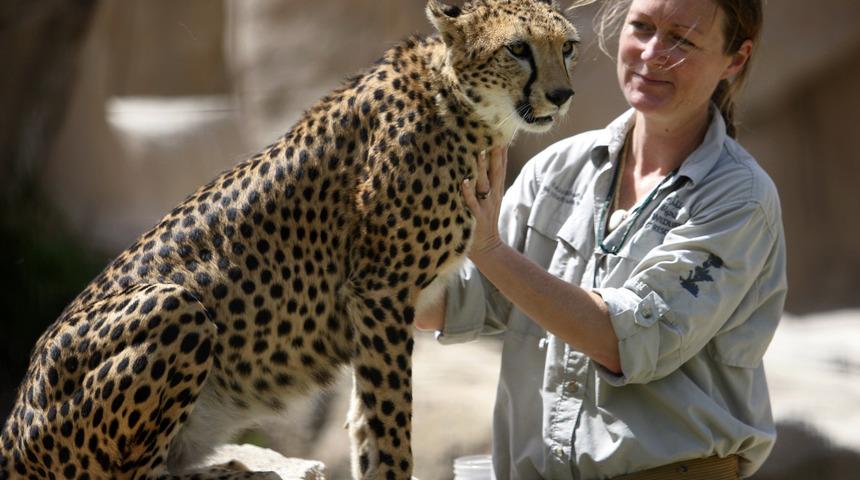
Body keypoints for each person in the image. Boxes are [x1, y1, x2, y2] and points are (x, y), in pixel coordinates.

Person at [415, 0, 786, 478]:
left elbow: (624, 341)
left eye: (681, 39)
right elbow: (455, 302)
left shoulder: (739, 197)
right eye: (642, 27)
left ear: (735, 59)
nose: (651, 53)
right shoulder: (555, 168)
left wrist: (488, 249)